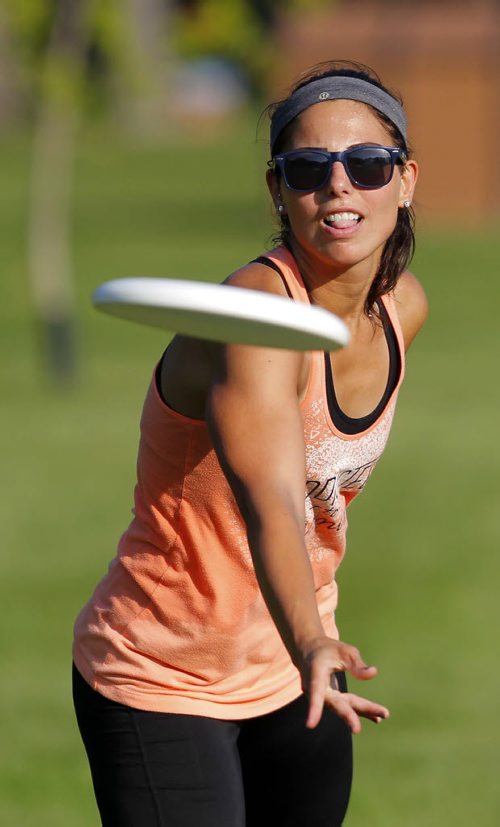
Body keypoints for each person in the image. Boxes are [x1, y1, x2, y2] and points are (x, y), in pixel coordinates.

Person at [72, 59, 427, 826]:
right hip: (165, 669)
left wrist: (305, 649)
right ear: (278, 190)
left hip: (293, 666)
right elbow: (270, 498)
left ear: (405, 179)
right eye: (308, 168)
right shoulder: (255, 314)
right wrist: (312, 643)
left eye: (368, 164)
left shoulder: (403, 310)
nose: (339, 186)